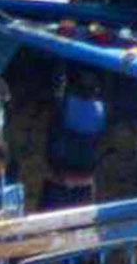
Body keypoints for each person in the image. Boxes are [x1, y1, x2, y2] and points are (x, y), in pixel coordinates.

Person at [40, 82, 109, 213]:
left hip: (62, 164)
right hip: (84, 166)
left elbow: (54, 128)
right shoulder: (100, 109)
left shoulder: (67, 104)